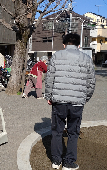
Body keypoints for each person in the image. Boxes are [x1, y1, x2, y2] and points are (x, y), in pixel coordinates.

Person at [45, 33, 95, 170]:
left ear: (64, 44)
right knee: (73, 132)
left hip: (59, 101)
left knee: (56, 131)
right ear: (79, 45)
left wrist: (49, 96)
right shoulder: (86, 59)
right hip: (77, 103)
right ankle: (69, 162)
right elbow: (91, 83)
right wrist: (85, 98)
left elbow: (49, 78)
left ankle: (56, 161)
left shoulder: (56, 56)